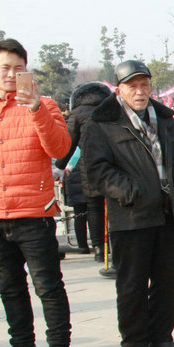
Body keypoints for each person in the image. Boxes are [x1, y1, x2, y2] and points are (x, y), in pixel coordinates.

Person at [81, 59, 174, 347]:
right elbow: (96, 170)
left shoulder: (165, 117)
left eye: (145, 85)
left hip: (167, 211)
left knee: (168, 279)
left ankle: (161, 337)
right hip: (130, 215)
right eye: (133, 86)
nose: (140, 92)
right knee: (132, 282)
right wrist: (131, 192)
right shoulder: (102, 122)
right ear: (119, 89)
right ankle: (135, 341)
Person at [0, 38, 74, 347]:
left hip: (34, 212)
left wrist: (35, 110)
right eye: (4, 68)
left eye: (17, 68)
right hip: (0, 214)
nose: (11, 75)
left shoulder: (44, 105)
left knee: (47, 285)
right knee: (9, 286)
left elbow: (60, 147)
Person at [60, 82, 113, 258]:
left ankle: (99, 248)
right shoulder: (112, 108)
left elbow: (67, 143)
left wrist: (59, 166)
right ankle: (115, 244)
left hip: (89, 165)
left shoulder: (77, 114)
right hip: (115, 163)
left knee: (94, 207)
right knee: (115, 206)